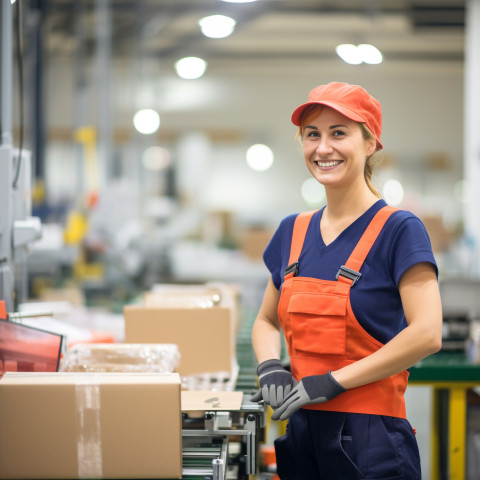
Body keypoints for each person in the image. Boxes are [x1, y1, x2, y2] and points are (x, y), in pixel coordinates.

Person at [250, 82, 443, 479]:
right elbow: (266, 320)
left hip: (372, 440)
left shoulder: (399, 229)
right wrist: (270, 365)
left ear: (371, 142)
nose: (323, 148)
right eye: (312, 135)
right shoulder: (293, 231)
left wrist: (334, 382)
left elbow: (427, 333)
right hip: (302, 431)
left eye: (339, 133)